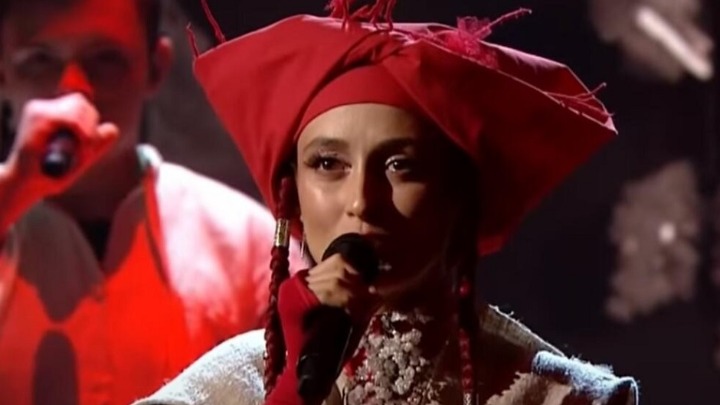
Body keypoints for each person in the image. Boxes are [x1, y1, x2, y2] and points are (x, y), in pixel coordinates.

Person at [134, 1, 639, 404]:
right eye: (328, 164)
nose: (362, 202)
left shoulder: (555, 396)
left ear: (457, 195)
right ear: (291, 197)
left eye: (401, 165)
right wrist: (298, 388)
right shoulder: (222, 390)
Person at [0, 0, 302, 404]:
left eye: (105, 59)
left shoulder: (247, 240)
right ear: (2, 74)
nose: (73, 86)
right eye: (39, 60)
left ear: (156, 66)